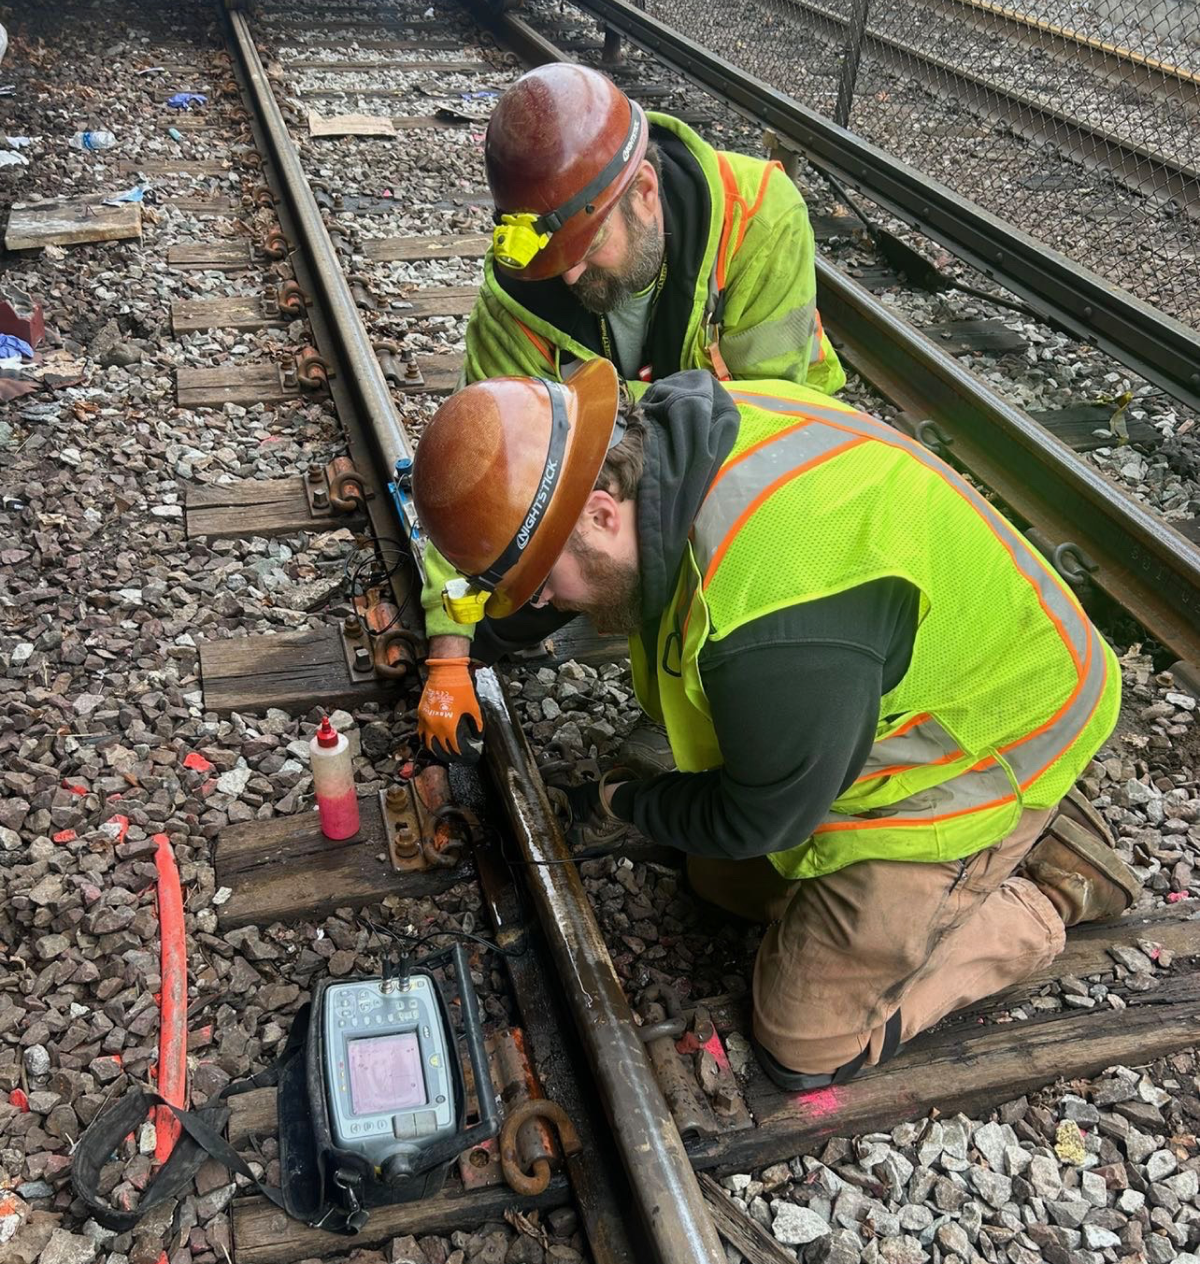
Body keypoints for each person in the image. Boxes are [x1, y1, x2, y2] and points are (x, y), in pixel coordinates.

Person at [410, 359, 1137, 1088]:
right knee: (715, 880)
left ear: (600, 513)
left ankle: (1045, 891)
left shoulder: (775, 628)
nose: (542, 603)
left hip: (995, 735)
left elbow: (761, 818)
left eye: (541, 583)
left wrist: (623, 800)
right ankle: (984, 853)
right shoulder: (664, 443)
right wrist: (456, 654)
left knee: (804, 1047)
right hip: (890, 685)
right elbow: (557, 575)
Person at [417, 63, 845, 763]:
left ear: (644, 191)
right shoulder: (517, 301)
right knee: (520, 587)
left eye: (587, 249)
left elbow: (761, 433)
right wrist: (450, 650)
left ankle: (700, 712)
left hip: (767, 453)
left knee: (670, 555)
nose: (571, 277)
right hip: (633, 473)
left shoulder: (758, 217)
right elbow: (483, 471)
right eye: (553, 262)